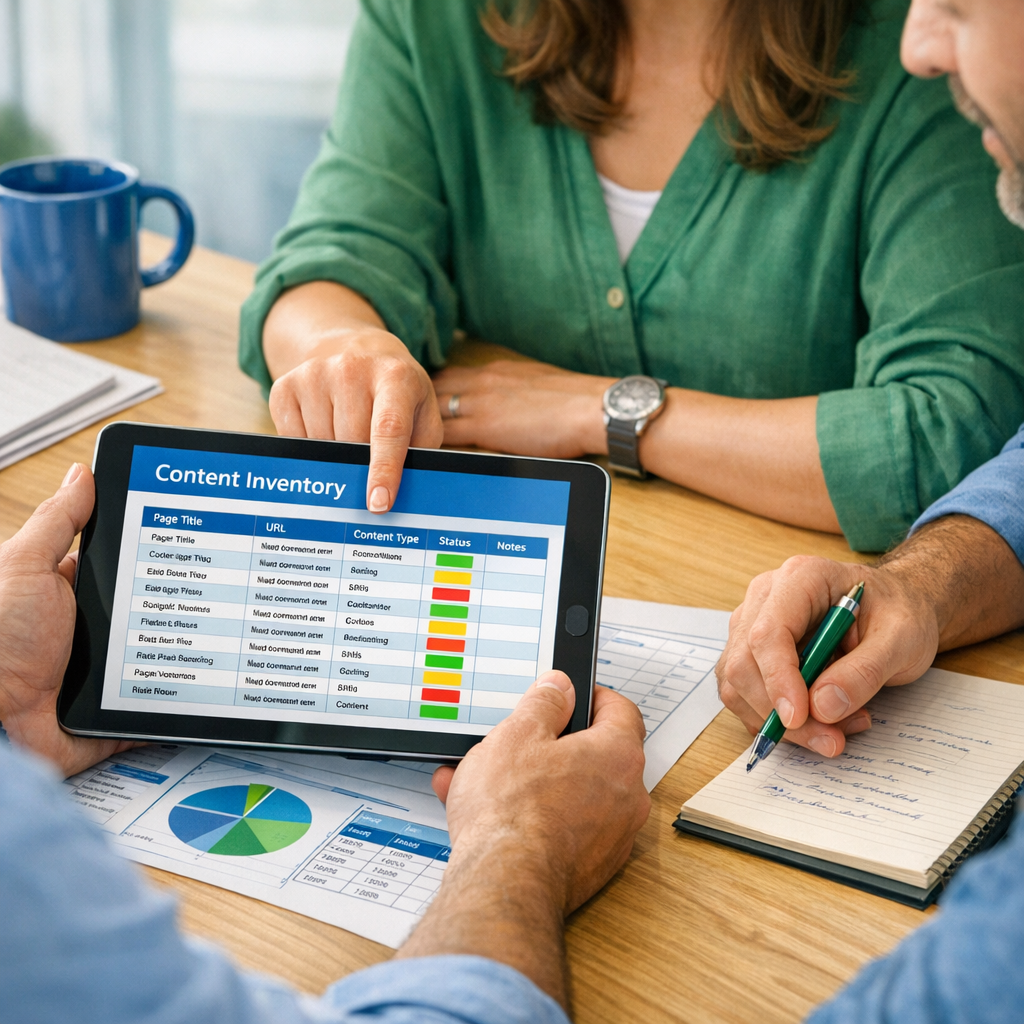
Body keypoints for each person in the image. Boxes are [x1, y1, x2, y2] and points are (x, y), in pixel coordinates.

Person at [237, 0, 1024, 553]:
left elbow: (954, 433)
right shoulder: (432, 18)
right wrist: (342, 344)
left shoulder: (938, 40)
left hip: (773, 638)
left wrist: (604, 413)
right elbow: (333, 254)